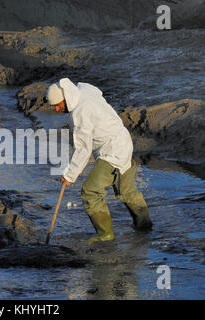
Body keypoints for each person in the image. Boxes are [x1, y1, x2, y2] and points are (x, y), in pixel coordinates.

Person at [47, 78, 152, 245]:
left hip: (112, 151)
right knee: (127, 192)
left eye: (58, 105)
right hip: (124, 141)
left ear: (66, 97)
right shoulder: (84, 90)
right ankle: (145, 227)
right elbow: (97, 91)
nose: (57, 109)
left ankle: (105, 235)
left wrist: (69, 175)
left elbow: (83, 149)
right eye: (54, 107)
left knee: (90, 192)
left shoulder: (80, 114)